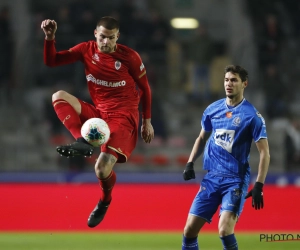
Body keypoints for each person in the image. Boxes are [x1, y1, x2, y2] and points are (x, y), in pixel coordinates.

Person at [41, 16, 154, 228]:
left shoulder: (130, 57)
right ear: (95, 34)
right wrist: (50, 38)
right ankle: (81, 141)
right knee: (58, 96)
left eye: (111, 38)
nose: (106, 42)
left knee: (101, 169)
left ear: (117, 37)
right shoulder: (87, 49)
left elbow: (145, 88)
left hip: (123, 119)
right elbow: (51, 61)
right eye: (102, 37)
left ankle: (104, 201)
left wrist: (146, 121)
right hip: (99, 114)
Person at [182, 65, 270, 250]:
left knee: (224, 230)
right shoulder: (213, 109)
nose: (229, 84)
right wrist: (190, 162)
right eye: (226, 80)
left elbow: (264, 152)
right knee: (189, 231)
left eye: (234, 80)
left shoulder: (252, 116)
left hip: (235, 180)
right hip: (212, 177)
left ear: (244, 84)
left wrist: (259, 185)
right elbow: (201, 137)